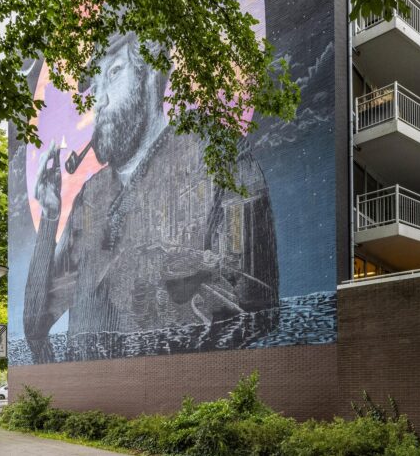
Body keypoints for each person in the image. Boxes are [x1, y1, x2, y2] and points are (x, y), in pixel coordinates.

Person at [23, 31, 279, 363]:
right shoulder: (90, 196)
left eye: (113, 73)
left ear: (152, 72)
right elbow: (35, 326)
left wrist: (155, 273)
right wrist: (50, 217)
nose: (99, 100)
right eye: (95, 88)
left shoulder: (225, 159)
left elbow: (256, 306)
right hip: (94, 397)